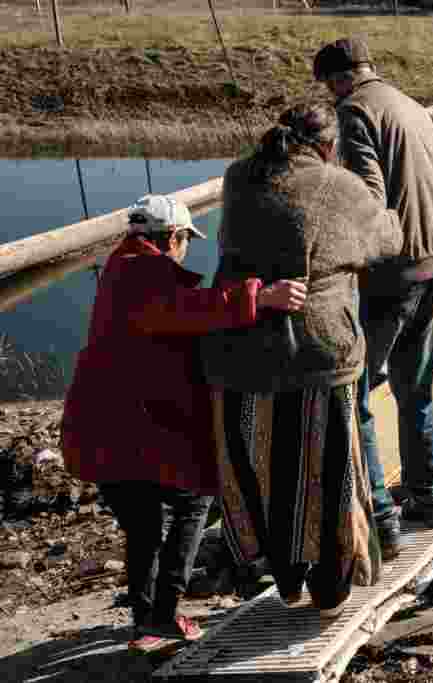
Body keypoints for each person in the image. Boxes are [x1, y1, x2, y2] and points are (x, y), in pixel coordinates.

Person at [60, 194, 307, 652]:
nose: (186, 249)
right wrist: (263, 295)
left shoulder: (120, 268)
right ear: (172, 238)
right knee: (193, 501)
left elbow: (179, 311)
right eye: (185, 242)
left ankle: (147, 619)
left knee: (145, 525)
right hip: (131, 432)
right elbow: (193, 308)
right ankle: (164, 614)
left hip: (99, 432)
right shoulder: (146, 273)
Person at [200, 104, 403, 617]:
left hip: (238, 353)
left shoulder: (238, 177)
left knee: (264, 472)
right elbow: (386, 239)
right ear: (329, 146)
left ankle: (284, 578)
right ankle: (329, 589)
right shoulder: (340, 186)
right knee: (329, 475)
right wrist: (381, 196)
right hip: (315, 356)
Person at [314, 36, 433, 560]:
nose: (329, 97)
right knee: (416, 388)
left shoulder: (354, 111)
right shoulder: (412, 107)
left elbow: (369, 195)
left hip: (392, 271)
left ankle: (382, 517)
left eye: (329, 87)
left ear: (340, 80)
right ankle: (431, 499)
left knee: (357, 391)